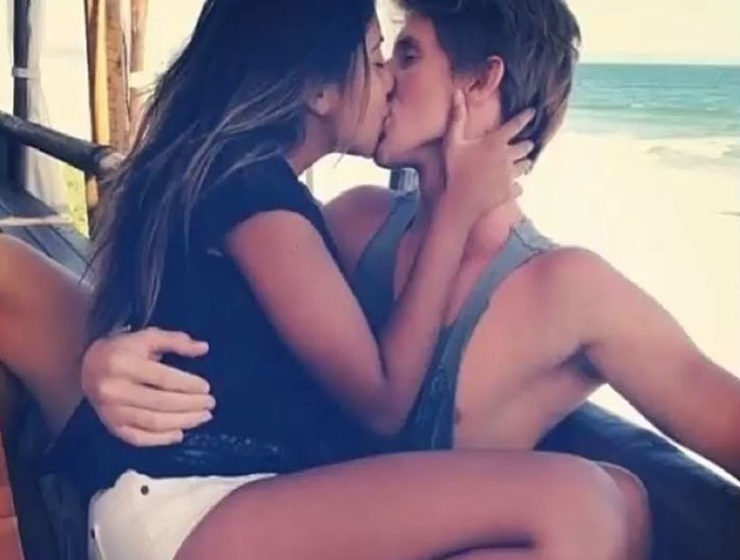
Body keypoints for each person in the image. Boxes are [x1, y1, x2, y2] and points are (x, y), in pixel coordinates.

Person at [3, 1, 639, 560]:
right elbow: (383, 405)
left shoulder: (241, 183)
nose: (389, 80)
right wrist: (454, 213)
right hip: (194, 508)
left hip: (206, 505)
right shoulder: (256, 197)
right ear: (320, 92)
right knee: (578, 501)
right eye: (378, 57)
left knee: (621, 497)